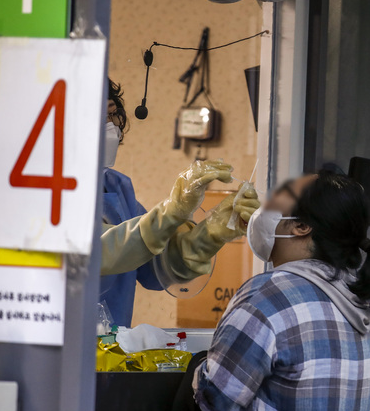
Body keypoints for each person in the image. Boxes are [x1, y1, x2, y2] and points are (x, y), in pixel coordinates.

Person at [192, 170, 370, 411]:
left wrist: (197, 369)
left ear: (301, 226)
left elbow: (218, 397)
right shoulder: (351, 295)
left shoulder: (267, 294)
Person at [99, 79, 259, 326]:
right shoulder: (44, 191)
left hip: (109, 352)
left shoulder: (116, 188)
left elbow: (155, 270)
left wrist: (211, 233)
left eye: (112, 115)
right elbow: (99, 252)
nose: (110, 127)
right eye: (101, 117)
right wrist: (173, 211)